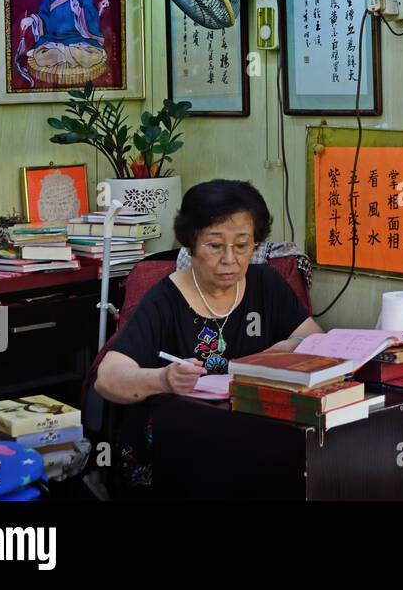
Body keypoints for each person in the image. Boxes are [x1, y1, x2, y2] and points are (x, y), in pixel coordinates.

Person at [94, 180, 322, 490]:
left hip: (252, 438)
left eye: (242, 245)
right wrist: (163, 380)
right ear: (190, 243)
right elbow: (107, 379)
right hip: (177, 448)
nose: (230, 259)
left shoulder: (265, 283)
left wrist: (289, 347)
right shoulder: (164, 300)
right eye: (215, 246)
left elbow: (317, 342)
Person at [18, 0, 108, 85]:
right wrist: (32, 19)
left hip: (79, 41)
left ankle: (64, 54)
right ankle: (66, 54)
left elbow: (92, 15)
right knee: (41, 57)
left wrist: (79, 12)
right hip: (54, 41)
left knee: (93, 55)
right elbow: (44, 13)